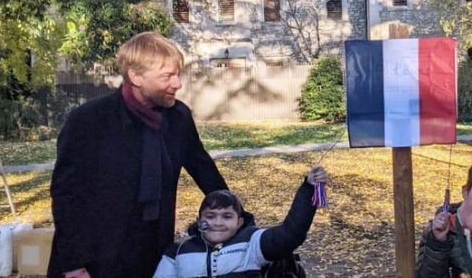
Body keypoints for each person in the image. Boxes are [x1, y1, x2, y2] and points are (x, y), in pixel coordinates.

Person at [48, 32, 230, 278]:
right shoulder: (89, 120)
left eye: (177, 75)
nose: (177, 84)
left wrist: (234, 213)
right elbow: (66, 196)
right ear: (136, 77)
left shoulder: (178, 117)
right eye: (167, 76)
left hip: (154, 250)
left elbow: (202, 166)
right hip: (96, 256)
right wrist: (74, 264)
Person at [153, 165, 328, 278]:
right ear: (199, 221)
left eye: (227, 216)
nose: (218, 222)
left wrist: (308, 188)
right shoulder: (178, 250)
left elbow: (291, 234)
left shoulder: (251, 242)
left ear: (239, 222)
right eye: (210, 216)